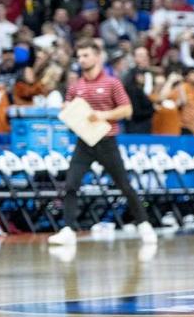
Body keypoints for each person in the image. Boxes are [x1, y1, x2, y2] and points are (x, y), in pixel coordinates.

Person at [48, 39, 157, 247]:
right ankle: (68, 229)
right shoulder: (75, 86)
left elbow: (127, 110)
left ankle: (144, 225)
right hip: (84, 141)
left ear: (97, 57)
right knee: (71, 184)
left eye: (86, 55)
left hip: (106, 140)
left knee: (124, 185)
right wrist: (67, 109)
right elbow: (68, 108)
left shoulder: (112, 83)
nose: (81, 60)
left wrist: (102, 115)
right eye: (79, 56)